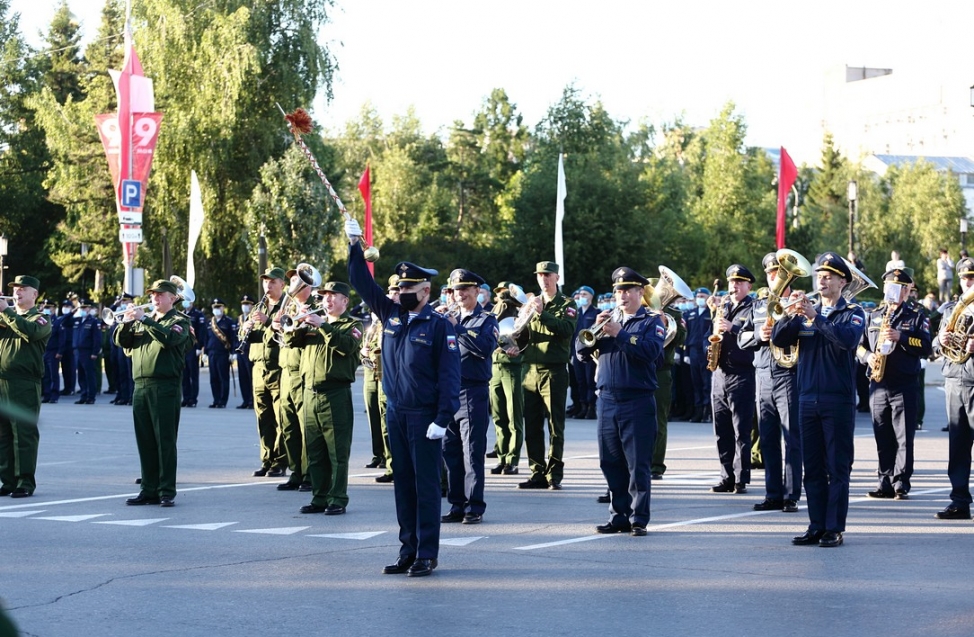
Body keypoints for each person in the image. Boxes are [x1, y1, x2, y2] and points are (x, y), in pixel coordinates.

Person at [346, 218, 461, 578]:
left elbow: (449, 376)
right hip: (395, 412)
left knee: (426, 487)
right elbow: (361, 282)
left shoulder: (439, 326)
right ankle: (407, 549)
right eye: (399, 287)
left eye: (408, 287)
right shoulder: (391, 316)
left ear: (425, 291)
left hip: (425, 416)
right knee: (403, 486)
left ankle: (427, 553)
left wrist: (443, 418)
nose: (400, 292)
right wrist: (353, 245)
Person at [772, 251, 866, 547]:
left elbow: (846, 341)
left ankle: (834, 528)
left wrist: (816, 316)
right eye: (819, 276)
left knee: (837, 466)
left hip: (837, 399)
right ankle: (816, 525)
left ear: (842, 281)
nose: (822, 280)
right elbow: (778, 339)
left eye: (828, 276)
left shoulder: (853, 312)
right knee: (811, 466)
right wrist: (790, 314)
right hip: (807, 397)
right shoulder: (805, 312)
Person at [577, 267, 665, 536]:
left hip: (637, 400)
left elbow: (651, 352)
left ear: (640, 292)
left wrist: (620, 334)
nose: (622, 295)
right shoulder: (607, 320)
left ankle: (639, 518)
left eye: (628, 290)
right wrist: (593, 331)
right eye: (618, 290)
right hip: (606, 399)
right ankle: (619, 516)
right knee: (610, 462)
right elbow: (580, 351)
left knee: (637, 464)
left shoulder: (652, 321)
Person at [285, 280, 362, 515]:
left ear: (344, 301)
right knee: (314, 451)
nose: (326, 300)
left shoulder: (352, 324)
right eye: (324, 296)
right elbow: (290, 342)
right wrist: (293, 326)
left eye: (332, 296)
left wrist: (323, 326)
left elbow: (347, 346)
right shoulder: (312, 321)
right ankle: (319, 497)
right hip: (309, 393)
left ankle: (337, 498)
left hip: (335, 394)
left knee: (337, 452)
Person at [115, 279, 192, 507]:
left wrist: (145, 320)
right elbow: (121, 342)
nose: (155, 299)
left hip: (165, 386)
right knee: (145, 440)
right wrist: (127, 323)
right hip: (140, 385)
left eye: (160, 295)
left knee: (165, 440)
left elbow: (169, 339)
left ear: (172, 298)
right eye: (152, 295)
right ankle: (148, 489)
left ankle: (166, 489)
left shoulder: (179, 321)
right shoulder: (141, 321)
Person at [857, 268, 931, 500]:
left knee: (903, 436)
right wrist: (867, 357)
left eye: (898, 289)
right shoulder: (874, 314)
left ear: (907, 291)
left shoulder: (917, 315)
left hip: (904, 383)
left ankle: (901, 481)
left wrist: (902, 337)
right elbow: (858, 346)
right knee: (882, 434)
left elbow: (927, 347)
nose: (893, 292)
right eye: (890, 287)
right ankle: (884, 481)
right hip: (878, 383)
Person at [740, 253, 802, 512]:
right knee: (767, 438)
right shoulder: (757, 306)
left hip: (788, 374)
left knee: (792, 438)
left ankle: (791, 495)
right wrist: (759, 333)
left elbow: (805, 336)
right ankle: (773, 493)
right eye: (769, 273)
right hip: (763, 374)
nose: (773, 276)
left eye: (778, 272)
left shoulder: (797, 304)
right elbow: (742, 339)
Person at [439, 268, 498, 525]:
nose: (459, 294)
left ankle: (474, 505)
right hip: (447, 391)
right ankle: (457, 503)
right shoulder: (445, 318)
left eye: (465, 289)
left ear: (477, 291)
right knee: (449, 450)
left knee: (472, 451)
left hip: (472, 391)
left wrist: (458, 329)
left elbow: (485, 348)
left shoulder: (486, 319)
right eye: (455, 290)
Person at [518, 261, 577, 490]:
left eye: (548, 275)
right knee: (531, 425)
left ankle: (554, 474)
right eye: (540, 275)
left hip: (554, 371)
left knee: (555, 425)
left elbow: (566, 330)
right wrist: (514, 345)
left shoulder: (567, 304)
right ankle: (537, 473)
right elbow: (524, 335)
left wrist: (542, 315)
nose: (544, 279)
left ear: (557, 277)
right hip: (530, 370)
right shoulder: (532, 303)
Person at [0, 275, 53, 498]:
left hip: (24, 382)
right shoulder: (7, 317)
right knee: (3, 435)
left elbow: (29, 332)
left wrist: (6, 311)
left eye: (23, 289)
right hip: (2, 380)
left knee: (23, 433)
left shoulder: (41, 318)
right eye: (15, 289)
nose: (17, 292)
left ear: (35, 294)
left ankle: (24, 481)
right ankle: (8, 480)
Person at [708, 265, 756, 494]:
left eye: (739, 282)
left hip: (741, 373)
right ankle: (725, 475)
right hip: (720, 373)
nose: (734, 286)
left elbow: (755, 335)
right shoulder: (724, 306)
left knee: (741, 430)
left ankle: (740, 477)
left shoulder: (754, 307)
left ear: (749, 286)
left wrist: (732, 327)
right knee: (721, 429)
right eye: (731, 282)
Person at [934, 257, 974, 520]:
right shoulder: (950, 309)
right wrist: (942, 339)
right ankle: (959, 500)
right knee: (957, 445)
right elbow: (936, 346)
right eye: (964, 278)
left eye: (972, 278)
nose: (968, 282)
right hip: (953, 379)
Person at [244, 268, 288, 478]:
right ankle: (267, 458)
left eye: (273, 283)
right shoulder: (258, 307)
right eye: (265, 283)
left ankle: (280, 461)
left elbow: (286, 332)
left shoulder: (287, 307)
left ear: (282, 285)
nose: (267, 287)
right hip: (258, 366)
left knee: (280, 416)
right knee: (262, 416)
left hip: (278, 367)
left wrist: (268, 322)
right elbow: (247, 334)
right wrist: (246, 327)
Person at [274, 270, 315, 491]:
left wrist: (301, 316)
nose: (293, 284)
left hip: (301, 371)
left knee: (304, 425)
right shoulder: (287, 307)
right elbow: (275, 334)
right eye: (291, 281)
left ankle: (309, 473)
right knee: (288, 426)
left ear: (308, 286)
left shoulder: (314, 307)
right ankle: (295, 472)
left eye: (298, 281)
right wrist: (276, 324)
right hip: (285, 371)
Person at [362, 276, 400, 483]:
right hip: (375, 373)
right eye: (391, 291)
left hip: (392, 377)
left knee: (390, 425)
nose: (392, 295)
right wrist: (365, 352)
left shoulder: (398, 317)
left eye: (397, 292)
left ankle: (394, 465)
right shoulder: (377, 321)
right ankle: (385, 459)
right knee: (379, 421)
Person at [489, 282, 528, 476]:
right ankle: (502, 456)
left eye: (504, 296)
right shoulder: (492, 317)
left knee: (514, 417)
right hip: (496, 367)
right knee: (499, 417)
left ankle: (512, 460)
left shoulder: (520, 319)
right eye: (499, 295)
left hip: (513, 367)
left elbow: (525, 343)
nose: (500, 299)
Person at [652, 284, 687, 480]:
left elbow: (681, 338)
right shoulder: (640, 310)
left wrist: (665, 323)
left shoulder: (675, 314)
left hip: (661, 370)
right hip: (639, 368)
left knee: (659, 419)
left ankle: (656, 465)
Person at [684, 287, 713, 423]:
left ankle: (707, 411)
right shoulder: (690, 314)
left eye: (702, 296)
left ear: (708, 297)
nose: (700, 298)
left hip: (706, 351)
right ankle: (698, 410)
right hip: (694, 351)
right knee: (695, 383)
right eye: (698, 296)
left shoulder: (711, 313)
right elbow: (686, 334)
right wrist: (686, 353)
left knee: (706, 382)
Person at [570, 285, 598, 419]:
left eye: (585, 294)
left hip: (590, 353)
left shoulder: (596, 313)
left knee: (590, 380)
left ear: (591, 297)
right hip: (577, 352)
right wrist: (571, 353)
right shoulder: (576, 313)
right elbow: (572, 335)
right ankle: (583, 406)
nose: (582, 297)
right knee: (580, 380)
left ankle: (591, 407)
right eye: (580, 295)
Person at [205, 298, 236, 409]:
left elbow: (233, 338)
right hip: (212, 353)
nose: (216, 309)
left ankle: (223, 401)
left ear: (223, 308)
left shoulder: (228, 322)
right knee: (213, 378)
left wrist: (233, 353)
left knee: (223, 378)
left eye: (218, 307)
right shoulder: (209, 322)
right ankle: (216, 400)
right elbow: (206, 338)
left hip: (223, 353)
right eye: (214, 307)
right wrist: (205, 352)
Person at [72, 298, 102, 404]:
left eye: (85, 307)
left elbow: (97, 338)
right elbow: (65, 321)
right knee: (81, 375)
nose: (83, 309)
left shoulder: (93, 321)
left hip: (88, 352)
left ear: (89, 309)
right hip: (77, 351)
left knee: (89, 375)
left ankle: (91, 396)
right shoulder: (78, 320)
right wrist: (74, 310)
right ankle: (83, 395)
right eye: (81, 307)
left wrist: (95, 352)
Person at [180, 300, 206, 408]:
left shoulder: (198, 314)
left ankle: (193, 399)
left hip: (193, 347)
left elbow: (201, 332)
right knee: (184, 375)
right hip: (183, 348)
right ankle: (186, 398)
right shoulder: (181, 314)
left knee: (193, 375)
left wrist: (200, 347)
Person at [235, 294, 256, 409]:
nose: (245, 306)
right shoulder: (239, 319)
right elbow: (235, 336)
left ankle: (253, 401)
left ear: (252, 306)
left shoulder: (254, 319)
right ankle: (245, 400)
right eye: (243, 304)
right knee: (242, 377)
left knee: (251, 377)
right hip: (240, 352)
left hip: (250, 351)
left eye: (247, 304)